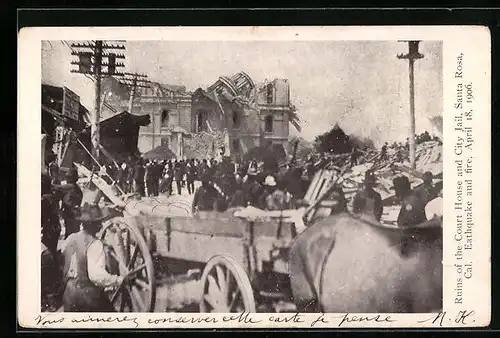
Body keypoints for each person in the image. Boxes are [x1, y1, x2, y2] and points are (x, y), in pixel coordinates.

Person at [62, 203, 124, 312]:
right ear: (93, 224)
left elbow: (64, 255)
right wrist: (118, 280)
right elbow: (96, 276)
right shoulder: (95, 244)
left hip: (69, 294)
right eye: (98, 223)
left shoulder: (71, 238)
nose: (100, 226)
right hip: (87, 297)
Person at [53, 168, 83, 239]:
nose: (66, 178)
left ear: (71, 178)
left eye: (67, 177)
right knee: (71, 233)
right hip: (72, 214)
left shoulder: (71, 186)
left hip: (72, 214)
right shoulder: (75, 187)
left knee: (71, 235)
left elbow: (57, 188)